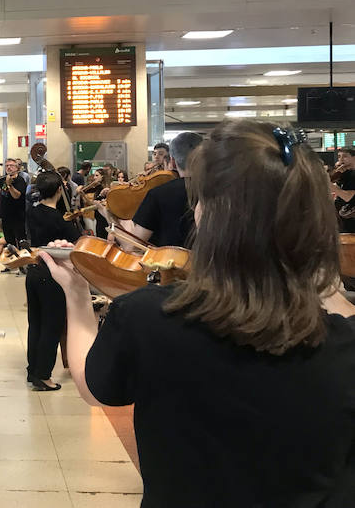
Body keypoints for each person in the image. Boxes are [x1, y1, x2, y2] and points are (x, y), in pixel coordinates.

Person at [39, 119, 355, 506]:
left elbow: (94, 387)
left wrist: (76, 293)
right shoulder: (343, 344)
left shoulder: (148, 317)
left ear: (214, 215)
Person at [25, 172, 80, 391]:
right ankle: (44, 376)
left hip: (34, 270)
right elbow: (77, 241)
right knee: (52, 325)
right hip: (53, 274)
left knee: (35, 323)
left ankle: (33, 370)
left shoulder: (32, 211)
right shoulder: (58, 218)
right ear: (59, 190)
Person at [122, 132, 203, 248]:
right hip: (210, 265)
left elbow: (132, 247)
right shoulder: (222, 191)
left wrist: (117, 221)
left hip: (169, 264)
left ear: (172, 162)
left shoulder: (158, 194)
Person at [0, 158, 28, 252]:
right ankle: (12, 264)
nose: (9, 167)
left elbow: (16, 196)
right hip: (6, 215)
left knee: (20, 239)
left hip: (18, 215)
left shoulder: (20, 180)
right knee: (9, 241)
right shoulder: (4, 179)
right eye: (7, 166)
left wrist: (9, 185)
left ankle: (23, 263)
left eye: (11, 166)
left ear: (17, 168)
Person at [329, 148, 355, 233]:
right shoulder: (345, 173)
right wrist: (336, 173)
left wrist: (329, 184)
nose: (341, 160)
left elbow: (348, 196)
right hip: (342, 219)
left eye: (345, 156)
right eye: (339, 157)